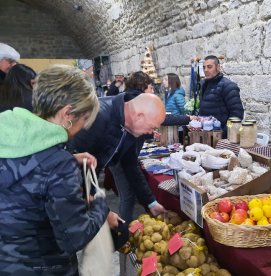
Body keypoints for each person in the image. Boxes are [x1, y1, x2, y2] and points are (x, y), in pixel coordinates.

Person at [0, 65, 119, 275]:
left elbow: (26, 170)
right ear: (67, 114)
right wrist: (100, 204)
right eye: (84, 120)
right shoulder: (58, 164)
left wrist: (70, 161)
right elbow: (74, 237)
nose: (83, 127)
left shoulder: (10, 135)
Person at [67, 93, 168, 226]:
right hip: (67, 195)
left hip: (86, 186)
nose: (151, 132)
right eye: (152, 127)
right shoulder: (97, 117)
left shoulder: (131, 128)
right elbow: (69, 164)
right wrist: (98, 209)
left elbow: (131, 165)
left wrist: (151, 201)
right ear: (139, 116)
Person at [199, 55, 244, 132]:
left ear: (218, 67)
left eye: (209, 67)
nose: (205, 70)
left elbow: (237, 114)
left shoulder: (228, 86)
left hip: (220, 135)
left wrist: (225, 131)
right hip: (205, 134)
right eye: (204, 67)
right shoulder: (204, 85)